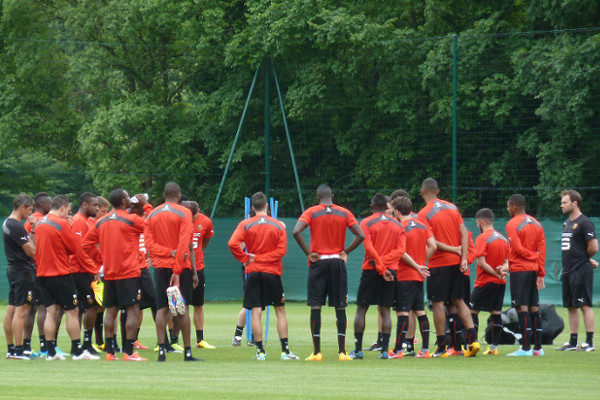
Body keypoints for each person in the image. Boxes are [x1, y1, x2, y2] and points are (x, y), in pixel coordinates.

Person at [293, 185, 364, 361]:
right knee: (340, 307)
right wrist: (345, 251)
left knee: (316, 306)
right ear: (331, 196)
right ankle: (342, 352)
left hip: (319, 262)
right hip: (337, 263)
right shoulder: (344, 212)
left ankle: (317, 352)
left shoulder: (311, 212)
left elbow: (296, 231)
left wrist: (308, 253)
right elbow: (361, 235)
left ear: (318, 198)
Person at [228, 192, 300, 360]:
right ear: (267, 206)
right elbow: (281, 251)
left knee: (255, 311)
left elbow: (232, 243)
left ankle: (260, 352)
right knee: (280, 311)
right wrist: (259, 259)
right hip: (272, 273)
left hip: (253, 272)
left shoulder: (245, 224)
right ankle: (285, 351)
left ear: (253, 208)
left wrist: (246, 258)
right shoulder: (278, 225)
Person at [417, 178, 479, 357]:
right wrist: (463, 257)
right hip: (457, 263)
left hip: (439, 264)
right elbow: (464, 234)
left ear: (422, 192)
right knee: (459, 301)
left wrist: (454, 250)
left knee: (438, 303)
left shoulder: (423, 214)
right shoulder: (452, 207)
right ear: (437, 191)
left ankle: (442, 346)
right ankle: (473, 339)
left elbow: (433, 243)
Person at [82, 189, 147, 361]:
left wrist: (101, 258)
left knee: (111, 310)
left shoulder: (100, 221)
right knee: (133, 310)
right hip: (129, 272)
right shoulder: (132, 219)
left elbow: (86, 244)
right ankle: (129, 352)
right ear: (125, 202)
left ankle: (110, 352)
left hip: (109, 273)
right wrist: (145, 207)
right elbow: (152, 226)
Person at [35, 195, 99, 360]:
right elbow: (74, 249)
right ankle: (77, 351)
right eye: (68, 211)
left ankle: (50, 352)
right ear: (62, 208)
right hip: (60, 273)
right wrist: (69, 228)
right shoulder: (61, 223)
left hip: (42, 274)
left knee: (51, 312)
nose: (68, 215)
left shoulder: (41, 222)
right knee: (72, 311)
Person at [144, 182, 200, 362]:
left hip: (160, 267)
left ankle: (161, 351)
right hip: (180, 268)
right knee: (182, 311)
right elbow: (184, 244)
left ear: (164, 195)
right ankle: (187, 352)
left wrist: (166, 253)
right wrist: (177, 269)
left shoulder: (152, 214)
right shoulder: (184, 212)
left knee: (162, 309)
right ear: (178, 195)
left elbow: (149, 244)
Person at [350, 193, 405, 360]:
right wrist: (386, 265)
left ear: (372, 206)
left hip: (372, 269)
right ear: (387, 207)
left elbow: (369, 248)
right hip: (390, 271)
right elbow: (400, 250)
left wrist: (380, 265)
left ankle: (358, 350)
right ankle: (384, 351)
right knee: (386, 310)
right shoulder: (398, 225)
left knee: (361, 309)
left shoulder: (366, 222)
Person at [390, 196, 434, 358]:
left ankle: (398, 350)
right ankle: (425, 350)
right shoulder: (423, 225)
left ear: (397, 211)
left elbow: (401, 252)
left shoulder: (399, 227)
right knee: (420, 312)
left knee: (402, 313)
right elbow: (433, 246)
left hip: (404, 274)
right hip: (418, 275)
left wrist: (416, 264)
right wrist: (422, 261)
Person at [556, 190, 598, 352]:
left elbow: (593, 247)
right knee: (571, 306)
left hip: (580, 270)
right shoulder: (566, 223)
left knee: (584, 305)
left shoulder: (585, 222)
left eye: (565, 202)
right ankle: (573, 342)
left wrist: (584, 260)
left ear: (575, 203)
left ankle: (589, 342)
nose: (562, 205)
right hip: (568, 270)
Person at [505, 194, 546, 356]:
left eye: (508, 207)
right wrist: (540, 271)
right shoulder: (537, 223)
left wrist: (532, 257)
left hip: (520, 269)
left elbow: (516, 248)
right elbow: (542, 250)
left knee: (521, 307)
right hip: (533, 269)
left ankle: (526, 348)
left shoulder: (512, 223)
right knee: (533, 307)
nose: (508, 209)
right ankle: (538, 348)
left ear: (514, 207)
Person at [470, 208, 509, 355]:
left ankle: (473, 344)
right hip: (500, 282)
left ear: (481, 222)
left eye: (477, 224)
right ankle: (494, 348)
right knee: (495, 312)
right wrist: (501, 271)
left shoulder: (482, 238)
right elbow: (507, 263)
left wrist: (495, 273)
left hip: (485, 281)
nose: (477, 227)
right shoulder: (502, 238)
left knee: (472, 311)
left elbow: (481, 263)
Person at [3, 194, 37, 359]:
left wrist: (33, 230)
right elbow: (31, 251)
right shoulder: (16, 226)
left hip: (14, 270)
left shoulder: (7, 223)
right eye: (29, 210)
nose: (30, 214)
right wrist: (34, 230)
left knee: (11, 309)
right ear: (22, 207)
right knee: (21, 310)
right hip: (23, 271)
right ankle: (18, 350)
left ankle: (11, 350)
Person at [69, 192, 101, 355]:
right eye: (94, 205)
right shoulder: (78, 222)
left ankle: (82, 344)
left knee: (83, 307)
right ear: (84, 205)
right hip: (79, 271)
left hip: (84, 269)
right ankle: (84, 344)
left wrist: (101, 260)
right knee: (91, 306)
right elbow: (79, 251)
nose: (97, 208)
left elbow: (89, 248)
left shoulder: (86, 222)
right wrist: (95, 270)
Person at [23, 192, 52, 357]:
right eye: (49, 204)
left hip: (33, 269)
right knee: (41, 307)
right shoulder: (38, 220)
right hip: (37, 269)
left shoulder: (35, 218)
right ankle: (43, 347)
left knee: (32, 308)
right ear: (42, 205)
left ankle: (27, 346)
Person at [186, 200, 216, 350]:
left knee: (198, 304)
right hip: (181, 268)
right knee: (177, 305)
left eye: (194, 215)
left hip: (198, 268)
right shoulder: (180, 219)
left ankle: (200, 340)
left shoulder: (205, 221)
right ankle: (172, 339)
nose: (191, 218)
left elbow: (205, 242)